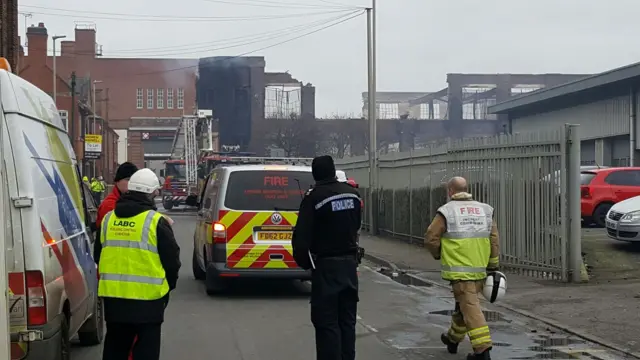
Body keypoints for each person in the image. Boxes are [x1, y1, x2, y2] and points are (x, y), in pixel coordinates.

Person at [96, 168, 181, 360]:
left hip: (114, 301)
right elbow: (172, 261)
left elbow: (98, 255)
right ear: (152, 193)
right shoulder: (155, 221)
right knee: (146, 352)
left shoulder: (109, 220)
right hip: (149, 304)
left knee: (115, 349)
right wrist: (167, 289)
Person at [292, 155, 362, 360]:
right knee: (347, 321)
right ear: (333, 171)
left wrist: (306, 265)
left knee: (327, 322)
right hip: (350, 266)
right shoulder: (353, 195)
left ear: (315, 174)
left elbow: (302, 240)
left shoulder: (313, 198)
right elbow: (356, 225)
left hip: (326, 267)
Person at [424, 176, 500, 360]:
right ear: (467, 189)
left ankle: (483, 351)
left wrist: (440, 254)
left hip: (460, 271)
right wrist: (493, 266)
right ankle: (452, 339)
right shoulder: (485, 210)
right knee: (463, 306)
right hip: (480, 270)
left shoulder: (447, 211)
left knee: (471, 308)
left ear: (450, 191)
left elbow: (430, 238)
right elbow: (494, 240)